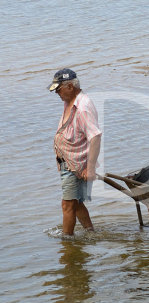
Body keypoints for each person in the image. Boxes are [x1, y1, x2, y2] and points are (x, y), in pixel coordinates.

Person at [47, 68, 101, 237]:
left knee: (67, 205)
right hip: (68, 162)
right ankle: (91, 233)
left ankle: (67, 244)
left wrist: (90, 169)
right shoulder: (70, 101)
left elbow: (95, 137)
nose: (56, 93)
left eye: (58, 89)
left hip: (76, 165)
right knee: (75, 204)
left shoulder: (83, 107)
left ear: (70, 86)